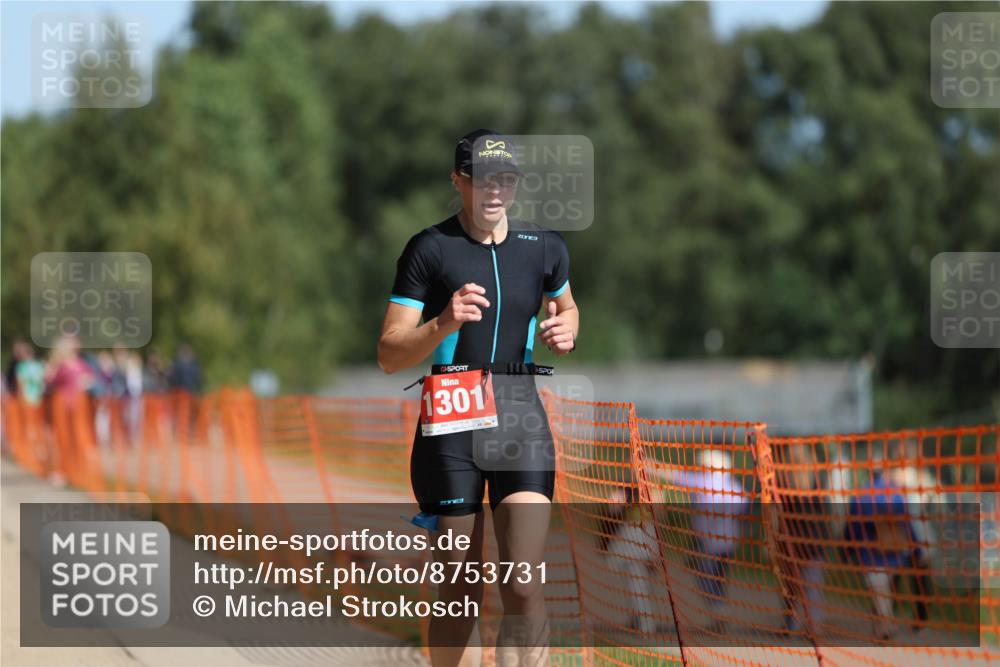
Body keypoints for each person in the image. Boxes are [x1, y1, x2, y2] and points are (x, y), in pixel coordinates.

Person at [378, 129, 579, 667]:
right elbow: (390, 353)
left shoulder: (546, 248)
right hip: (452, 428)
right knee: (459, 589)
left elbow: (567, 307)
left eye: (506, 180)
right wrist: (442, 321)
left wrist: (568, 330)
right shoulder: (430, 248)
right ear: (458, 181)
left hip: (520, 421)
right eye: (483, 179)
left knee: (524, 582)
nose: (496, 191)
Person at [648, 449, 747, 635]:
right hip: (728, 541)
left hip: (710, 542)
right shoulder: (735, 487)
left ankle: (719, 611)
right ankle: (718, 613)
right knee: (716, 577)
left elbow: (675, 476)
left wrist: (649, 464)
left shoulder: (704, 482)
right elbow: (744, 508)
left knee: (706, 576)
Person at [842, 472, 922, 639]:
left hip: (870, 552)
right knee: (883, 590)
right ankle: (881, 626)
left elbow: (853, 524)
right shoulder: (898, 495)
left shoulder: (862, 495)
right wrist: (916, 549)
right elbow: (907, 525)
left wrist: (847, 548)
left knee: (879, 590)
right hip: (895, 552)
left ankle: (886, 624)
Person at [773, 442, 829, 634]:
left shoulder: (783, 482)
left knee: (793, 586)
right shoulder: (816, 480)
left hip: (795, 542)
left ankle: (794, 624)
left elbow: (777, 511)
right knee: (808, 586)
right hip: (810, 541)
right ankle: (810, 625)